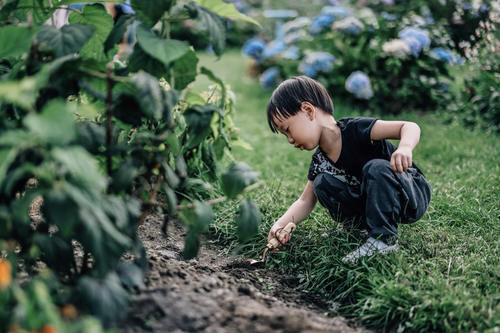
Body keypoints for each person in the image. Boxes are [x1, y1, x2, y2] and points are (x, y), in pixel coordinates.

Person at [266, 76, 431, 264]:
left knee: (375, 168)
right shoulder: (321, 160)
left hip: (410, 192)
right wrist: (280, 224)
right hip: (375, 198)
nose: (290, 140)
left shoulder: (355, 129)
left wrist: (405, 148)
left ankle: (384, 241)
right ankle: (360, 228)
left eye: (288, 129)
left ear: (308, 110)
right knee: (322, 182)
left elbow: (408, 126)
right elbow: (305, 200)